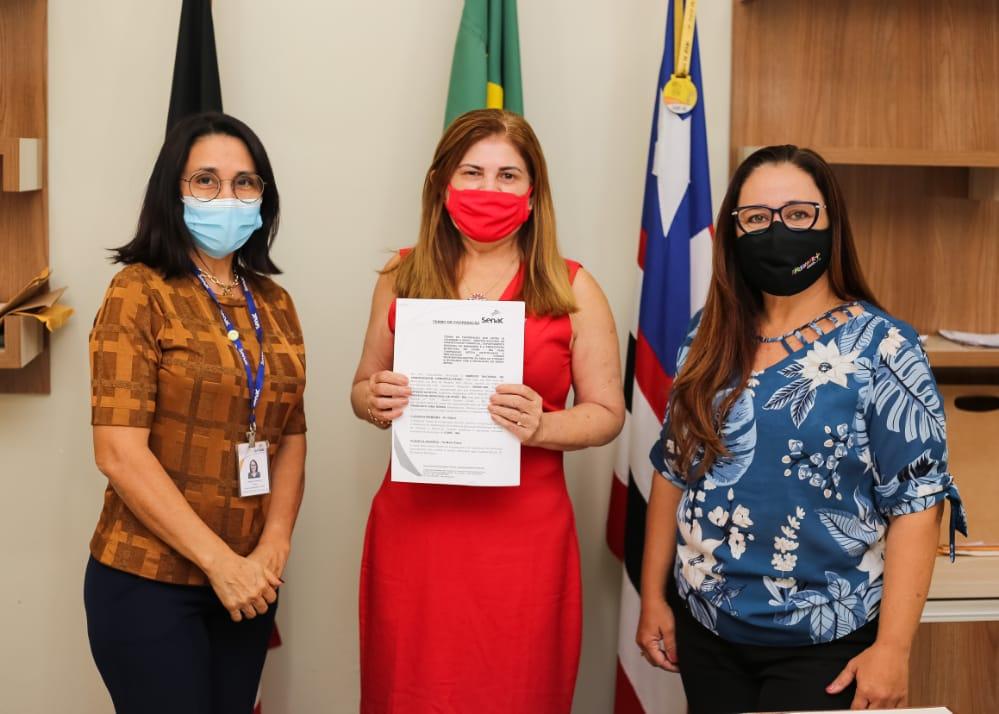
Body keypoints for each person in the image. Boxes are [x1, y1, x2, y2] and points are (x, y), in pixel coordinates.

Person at [636, 145, 967, 713]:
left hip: (824, 642)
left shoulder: (884, 348)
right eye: (756, 218)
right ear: (734, 231)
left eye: (798, 214)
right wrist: (652, 596)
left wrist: (894, 648)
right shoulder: (707, 335)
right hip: (706, 627)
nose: (777, 231)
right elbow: (674, 469)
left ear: (831, 223)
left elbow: (917, 504)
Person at [351, 108, 625, 712]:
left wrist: (544, 425)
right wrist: (373, 400)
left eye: (508, 176)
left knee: (515, 690)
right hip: (416, 530)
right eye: (472, 173)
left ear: (533, 190)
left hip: (523, 535)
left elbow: (608, 412)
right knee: (411, 690)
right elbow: (362, 385)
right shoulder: (401, 274)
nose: (489, 189)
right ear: (441, 183)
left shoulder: (573, 287)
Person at [85, 112, 307, 714]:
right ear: (172, 191)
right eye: (205, 180)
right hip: (150, 581)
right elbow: (118, 453)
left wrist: (273, 547)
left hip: (250, 584)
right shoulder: (138, 292)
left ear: (263, 197)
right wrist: (220, 564)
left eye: (244, 182)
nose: (227, 196)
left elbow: (290, 435)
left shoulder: (275, 303)